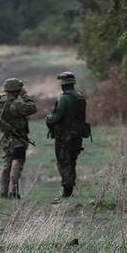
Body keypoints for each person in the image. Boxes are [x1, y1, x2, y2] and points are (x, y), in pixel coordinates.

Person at [45, 71, 88, 201]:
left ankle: (66, 193)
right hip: (78, 135)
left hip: (65, 136)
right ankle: (69, 191)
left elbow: (56, 117)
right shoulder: (80, 97)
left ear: (63, 85)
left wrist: (48, 117)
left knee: (64, 162)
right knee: (72, 162)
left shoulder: (64, 98)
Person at [0, 77, 37, 199]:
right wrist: (25, 96)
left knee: (6, 165)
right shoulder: (17, 104)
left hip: (6, 139)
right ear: (16, 90)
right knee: (17, 163)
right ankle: (14, 191)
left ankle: (3, 192)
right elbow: (32, 108)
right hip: (18, 139)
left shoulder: (0, 103)